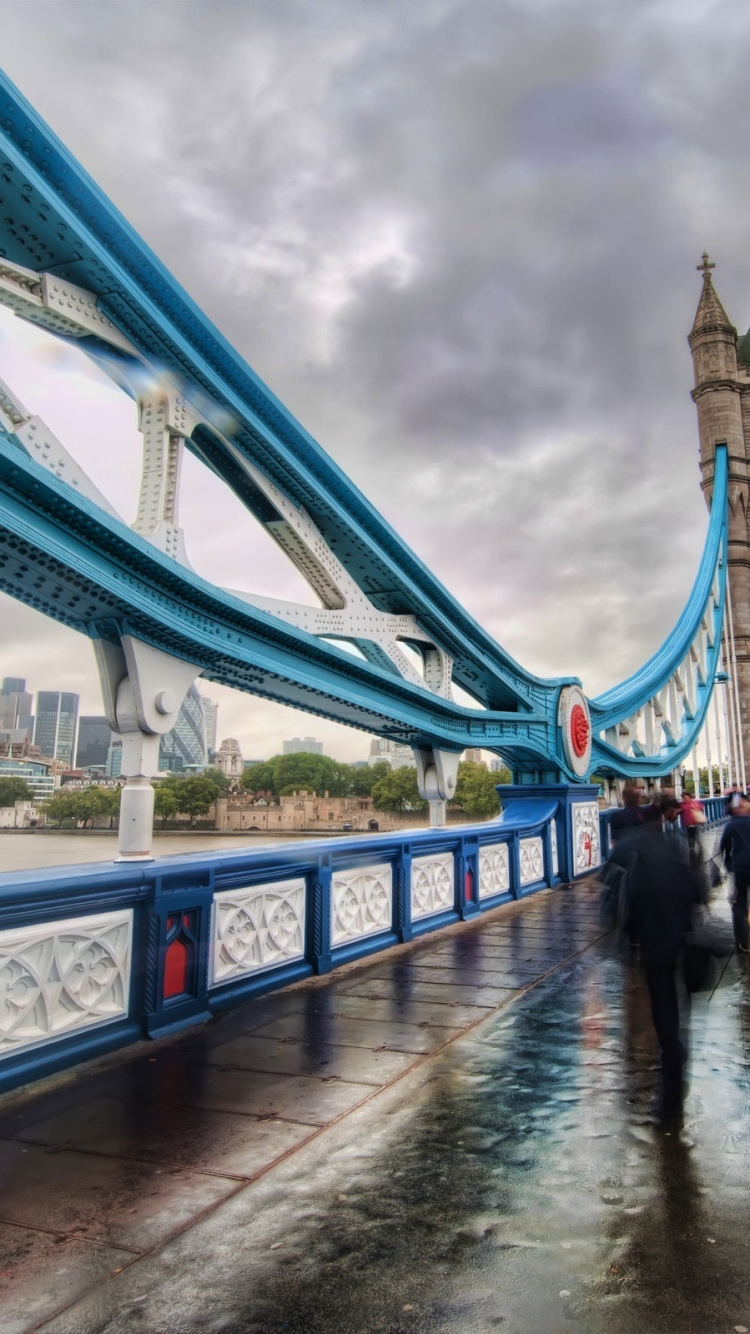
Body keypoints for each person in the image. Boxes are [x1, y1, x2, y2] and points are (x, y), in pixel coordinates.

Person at [609, 793, 704, 1119]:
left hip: (654, 945)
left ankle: (670, 1096)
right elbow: (696, 890)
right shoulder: (677, 847)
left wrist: (631, 935)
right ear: (662, 818)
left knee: (665, 1014)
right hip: (680, 939)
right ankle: (678, 1068)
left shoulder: (636, 852)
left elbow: (628, 902)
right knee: (681, 1009)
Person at [719, 793, 750, 951]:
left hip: (741, 869)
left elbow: (723, 846)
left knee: (740, 903)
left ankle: (743, 941)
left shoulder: (731, 824)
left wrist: (727, 863)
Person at [680, 790, 705, 867]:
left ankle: (697, 843)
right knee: (690, 835)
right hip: (688, 823)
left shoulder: (695, 803)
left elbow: (701, 807)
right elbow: (681, 811)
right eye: (685, 798)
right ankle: (691, 846)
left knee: (695, 834)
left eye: (687, 798)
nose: (686, 799)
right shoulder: (683, 805)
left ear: (690, 797)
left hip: (695, 822)